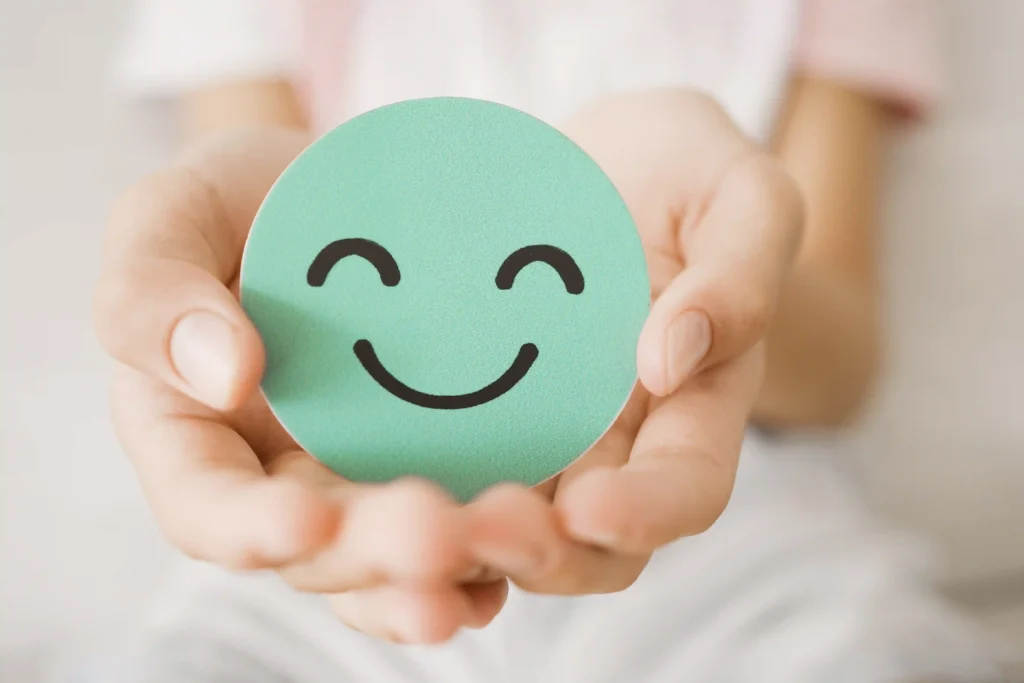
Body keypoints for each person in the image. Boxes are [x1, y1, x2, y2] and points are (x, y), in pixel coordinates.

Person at [82, 0, 1004, 681]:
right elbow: (270, 241)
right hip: (338, 510)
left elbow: (844, 359)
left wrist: (704, 293)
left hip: (732, 522)